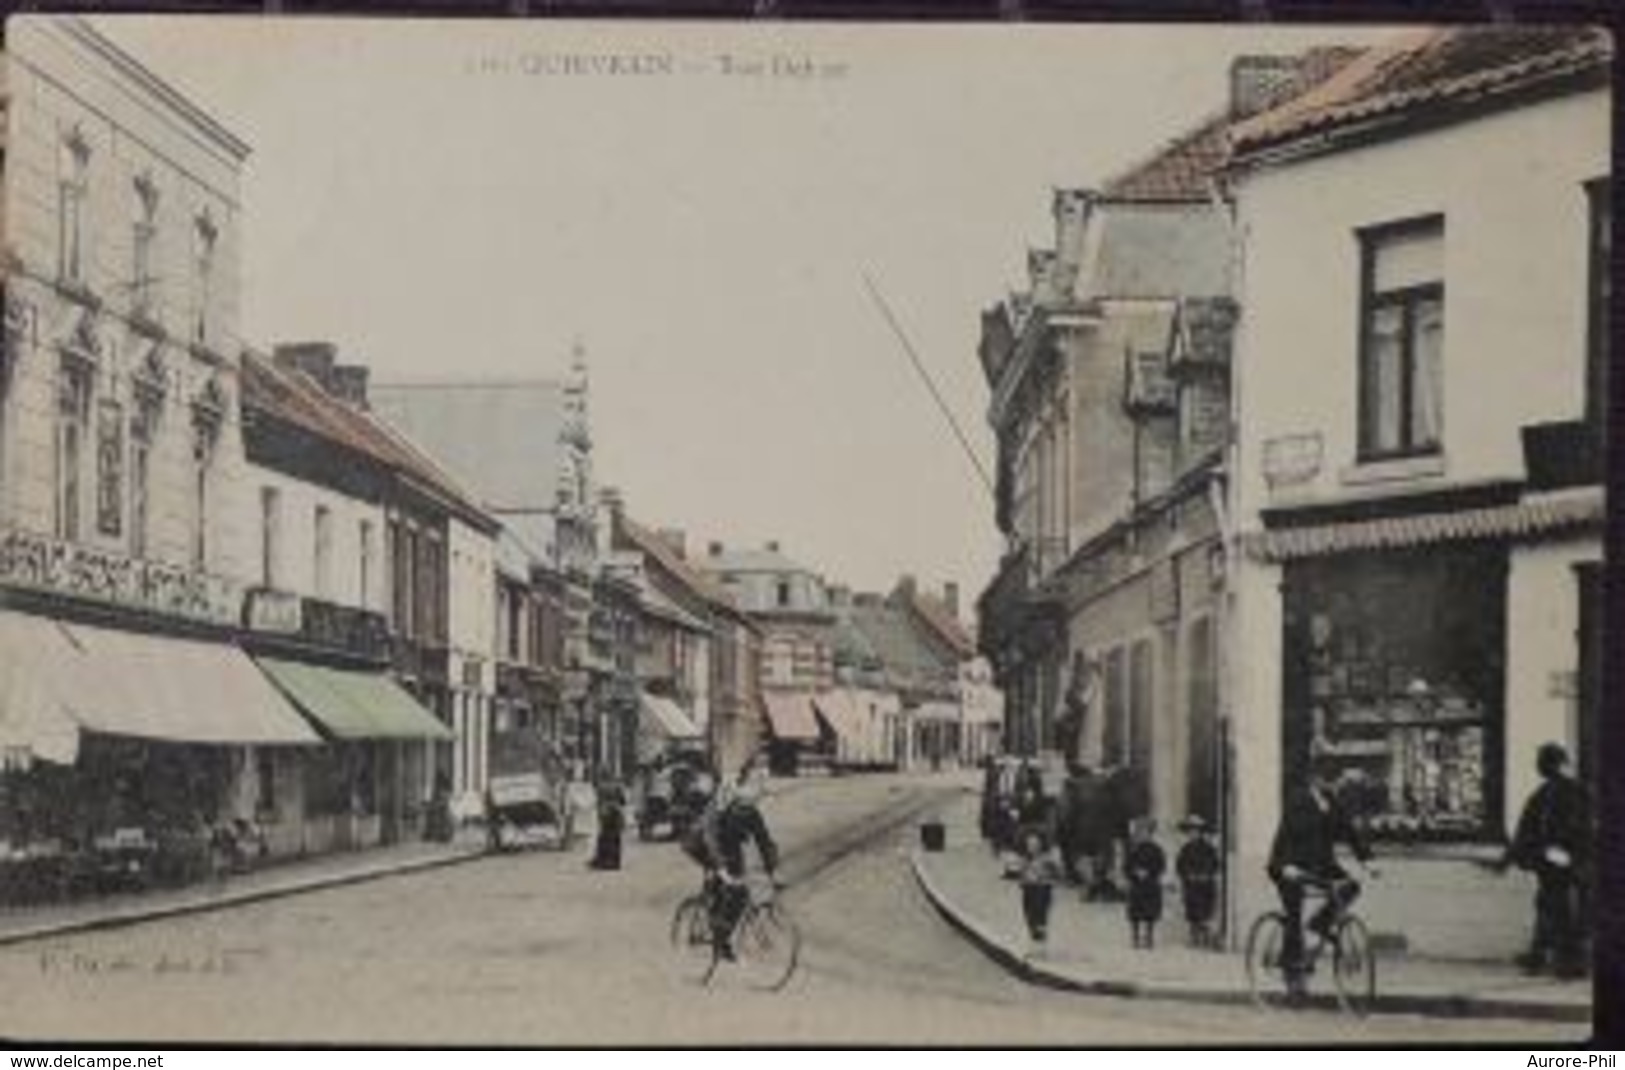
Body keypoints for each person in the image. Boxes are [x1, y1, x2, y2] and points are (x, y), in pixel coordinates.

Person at [1266, 758, 1377, 991]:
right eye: (1330, 780)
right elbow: (1287, 833)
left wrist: (1366, 861)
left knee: (1351, 886)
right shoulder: (1298, 800)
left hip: (1320, 863)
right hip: (1289, 863)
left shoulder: (1331, 802)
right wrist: (1287, 865)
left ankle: (1319, 923)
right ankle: (1292, 969)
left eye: (1335, 780)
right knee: (1294, 913)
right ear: (1315, 779)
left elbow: (1349, 831)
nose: (1335, 785)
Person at [1500, 742, 1590, 979]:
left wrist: (1565, 852)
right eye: (1539, 761)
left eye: (1542, 761)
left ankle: (1570, 963)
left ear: (1554, 763)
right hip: (1550, 862)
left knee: (1562, 911)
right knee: (1546, 905)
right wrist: (1510, 857)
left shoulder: (1573, 792)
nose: (1538, 765)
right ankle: (1540, 956)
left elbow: (1580, 828)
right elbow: (1525, 828)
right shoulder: (1542, 794)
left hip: (1566, 862)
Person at [688, 757, 781, 961]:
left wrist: (773, 871)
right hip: (702, 843)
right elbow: (709, 834)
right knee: (726, 887)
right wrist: (721, 869)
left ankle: (723, 936)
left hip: (729, 848)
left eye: (762, 783)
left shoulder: (751, 811)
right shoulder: (725, 800)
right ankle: (716, 933)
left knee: (740, 893)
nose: (761, 788)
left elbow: (764, 841)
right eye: (756, 782)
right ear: (744, 783)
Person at [1175, 814, 1221, 949]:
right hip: (1190, 885)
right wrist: (1187, 875)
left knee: (1205, 912)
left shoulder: (1208, 848)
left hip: (1205, 885)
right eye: (1190, 831)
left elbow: (1214, 864)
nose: (1192, 834)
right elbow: (1180, 865)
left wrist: (1205, 874)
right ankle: (1194, 936)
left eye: (1195, 831)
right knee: (1192, 912)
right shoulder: (1186, 849)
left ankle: (1204, 937)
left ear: (1200, 832)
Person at [1017, 827, 1063, 959]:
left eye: (1035, 844)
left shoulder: (1048, 859)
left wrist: (1049, 875)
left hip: (1043, 889)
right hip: (1028, 890)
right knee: (1029, 917)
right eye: (1029, 845)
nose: (1032, 847)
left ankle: (1041, 948)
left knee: (1040, 918)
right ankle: (1034, 946)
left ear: (1041, 844)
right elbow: (1020, 875)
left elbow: (1058, 873)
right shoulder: (1025, 859)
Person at [1124, 817, 1166, 950]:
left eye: (1146, 832)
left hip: (1151, 885)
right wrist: (1135, 873)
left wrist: (1149, 873)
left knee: (1150, 913)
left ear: (1150, 834)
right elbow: (1126, 866)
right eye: (1140, 832)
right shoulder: (1133, 850)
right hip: (1137, 885)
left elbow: (1161, 865)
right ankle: (1135, 937)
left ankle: (1149, 937)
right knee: (1135, 913)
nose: (1143, 835)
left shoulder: (1156, 850)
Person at [588, 781, 626, 871]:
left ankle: (603, 860)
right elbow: (623, 801)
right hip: (616, 812)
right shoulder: (618, 785)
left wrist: (600, 813)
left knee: (604, 837)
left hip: (606, 812)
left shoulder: (601, 786)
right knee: (615, 838)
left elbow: (598, 801)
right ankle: (614, 862)